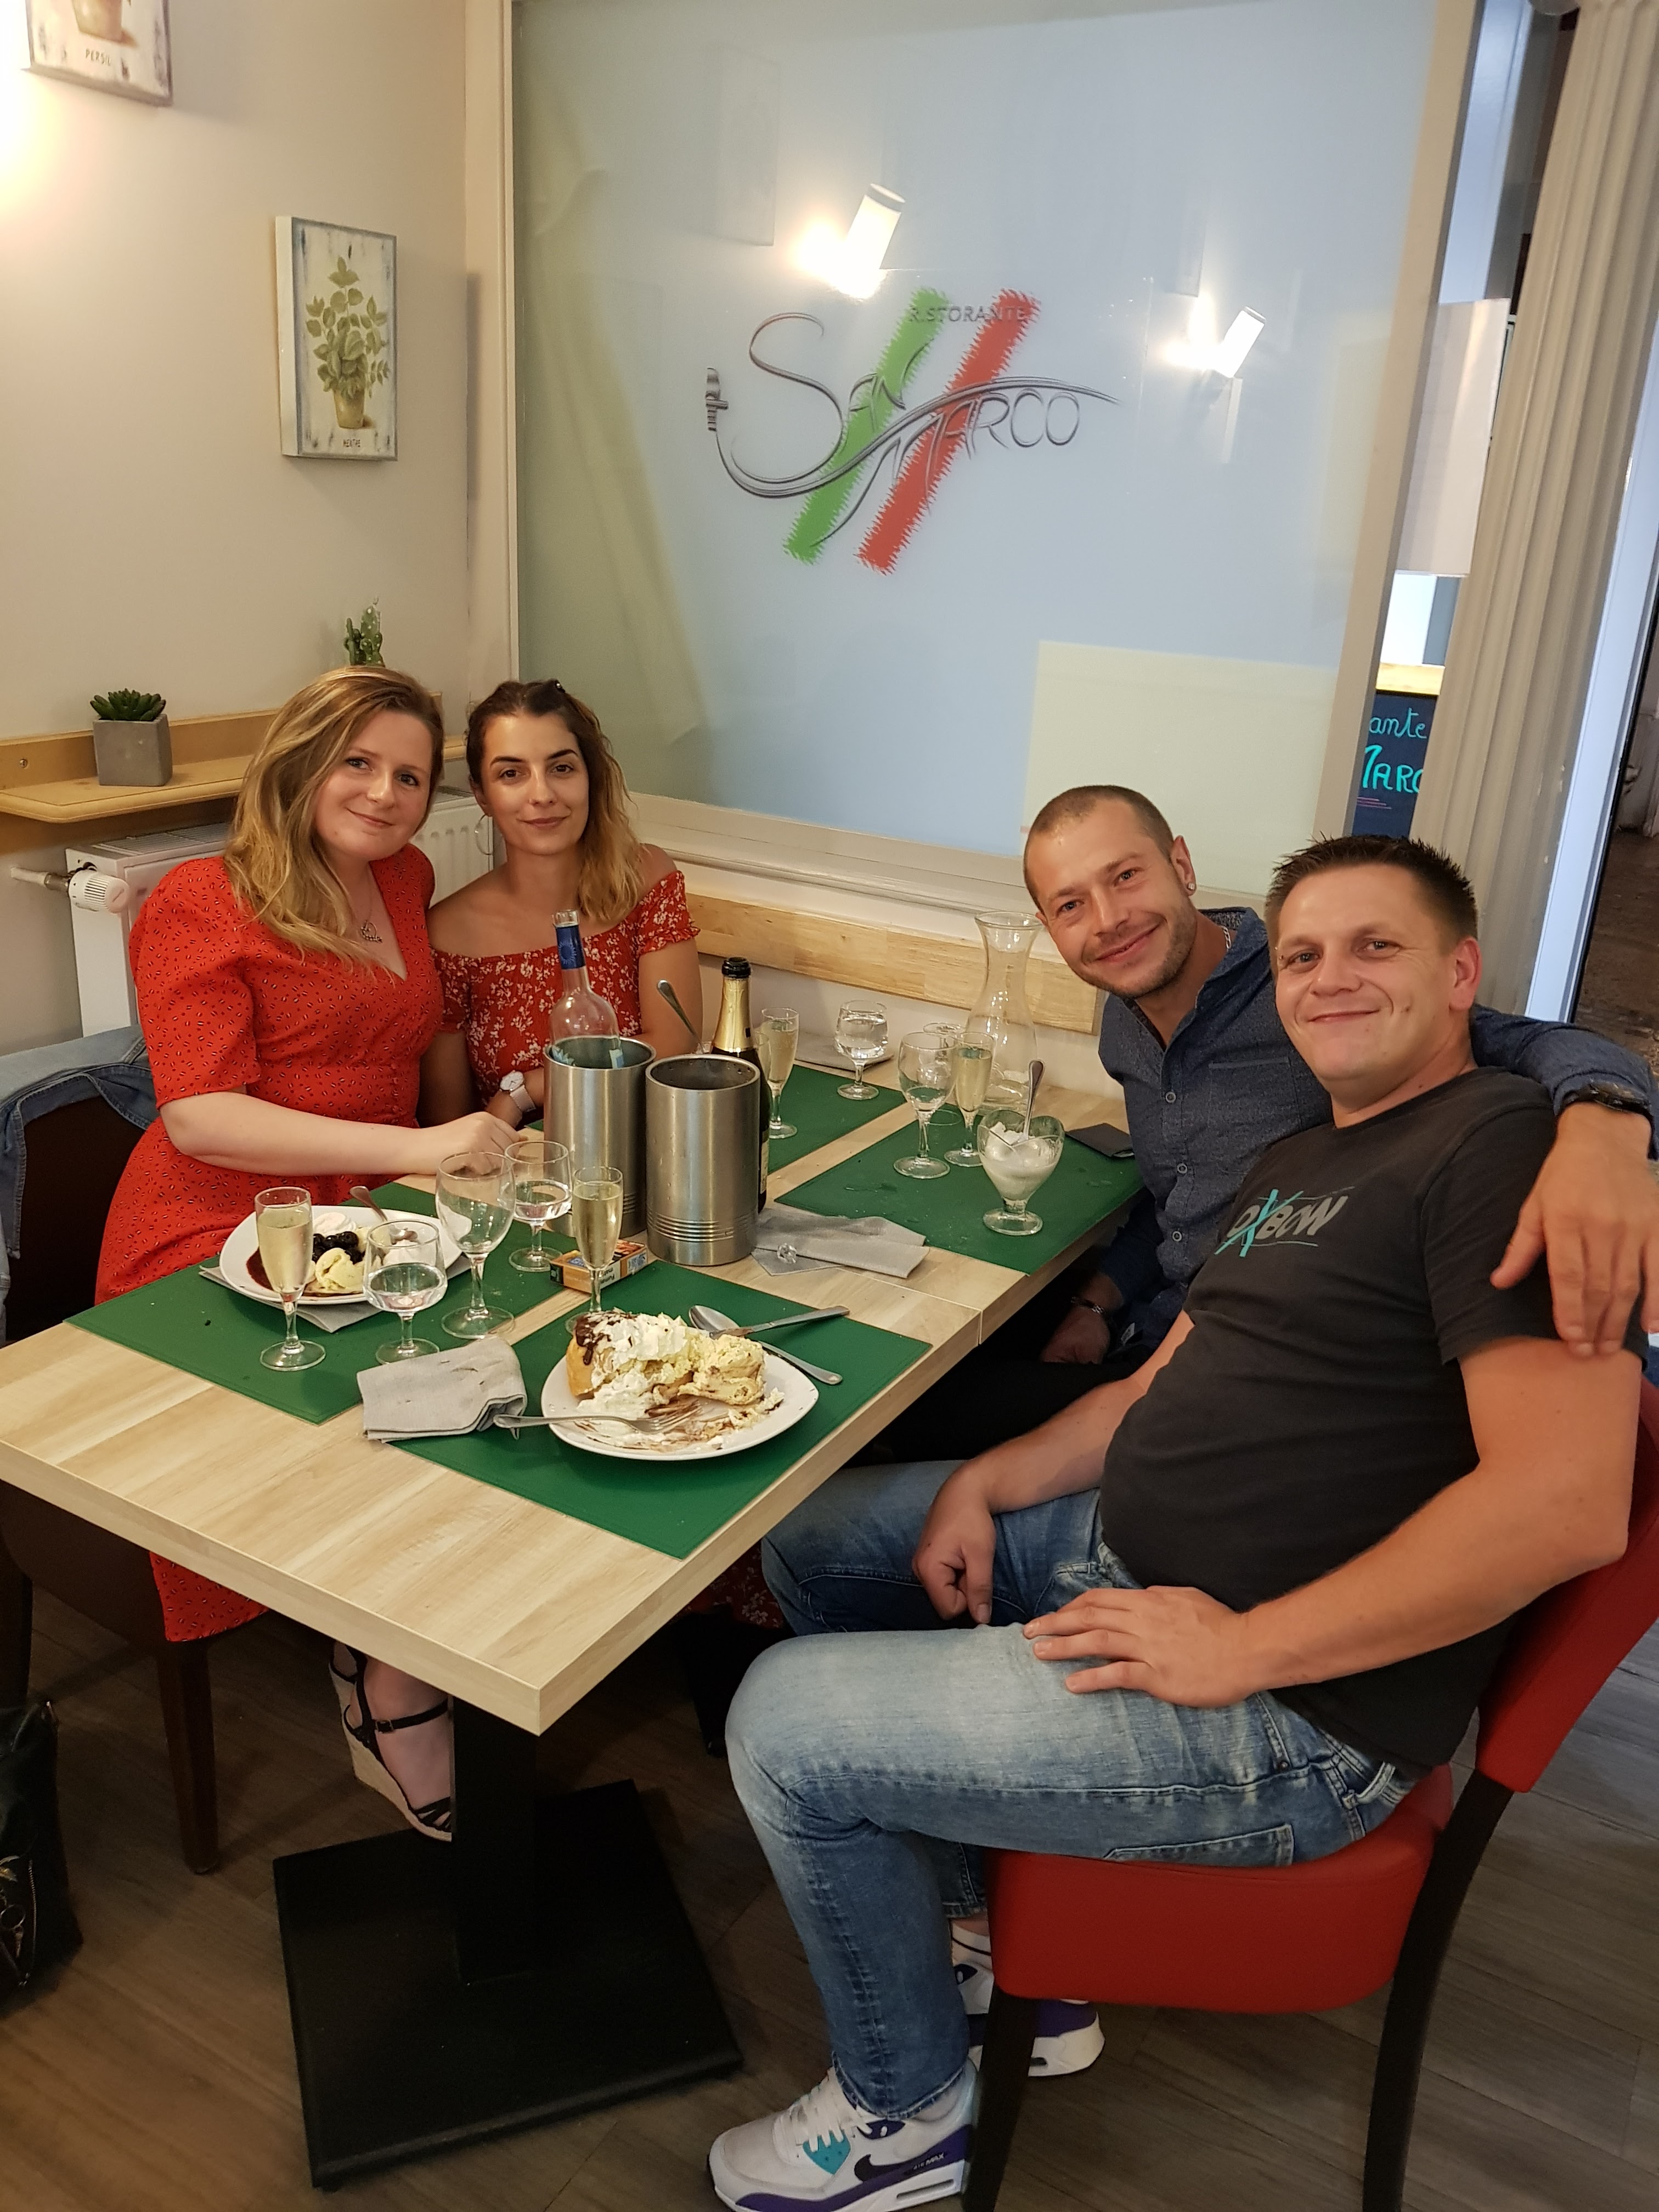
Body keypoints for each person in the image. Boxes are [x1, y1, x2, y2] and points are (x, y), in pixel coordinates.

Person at [707, 835, 1644, 2212]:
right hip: (1137, 1564)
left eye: (1375, 947)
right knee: (816, 1538)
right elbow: (1150, 1391)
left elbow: (1566, 1508)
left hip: (1290, 1713)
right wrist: (985, 1482)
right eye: (1305, 953)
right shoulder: (1308, 1156)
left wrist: (1250, 1648)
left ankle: (904, 2116)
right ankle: (984, 1935)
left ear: (1463, 976)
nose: (1329, 978)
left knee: (784, 1728)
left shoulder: (1504, 1150)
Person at [882, 784, 1659, 1458]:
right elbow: (1180, 1200)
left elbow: (1533, 1043)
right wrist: (1100, 1298)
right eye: (1071, 905)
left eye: (1126, 876)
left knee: (904, 1422)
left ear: (1182, 865)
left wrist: (1607, 1130)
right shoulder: (1124, 1018)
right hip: (1154, 1325)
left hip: (1246, 1368)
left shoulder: (1312, 996)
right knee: (904, 1358)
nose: (1110, 920)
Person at [97, 666, 510, 1837]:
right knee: (375, 1409)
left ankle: (411, 1633)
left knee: (479, 1372)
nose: (384, 793)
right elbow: (199, 1117)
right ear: (300, 761)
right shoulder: (202, 899)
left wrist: (476, 1134)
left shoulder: (405, 874)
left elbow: (409, 1039)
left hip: (374, 1206)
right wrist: (420, 1148)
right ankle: (385, 1670)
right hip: (229, 1221)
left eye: (411, 776)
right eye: (358, 762)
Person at [417, 676, 702, 1128]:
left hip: (641, 1139)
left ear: (591, 777)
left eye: (562, 768)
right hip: (519, 1161)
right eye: (511, 774)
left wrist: (527, 1089)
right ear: (482, 795)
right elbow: (447, 1123)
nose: (542, 795)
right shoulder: (448, 934)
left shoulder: (645, 879)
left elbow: (675, 1042)